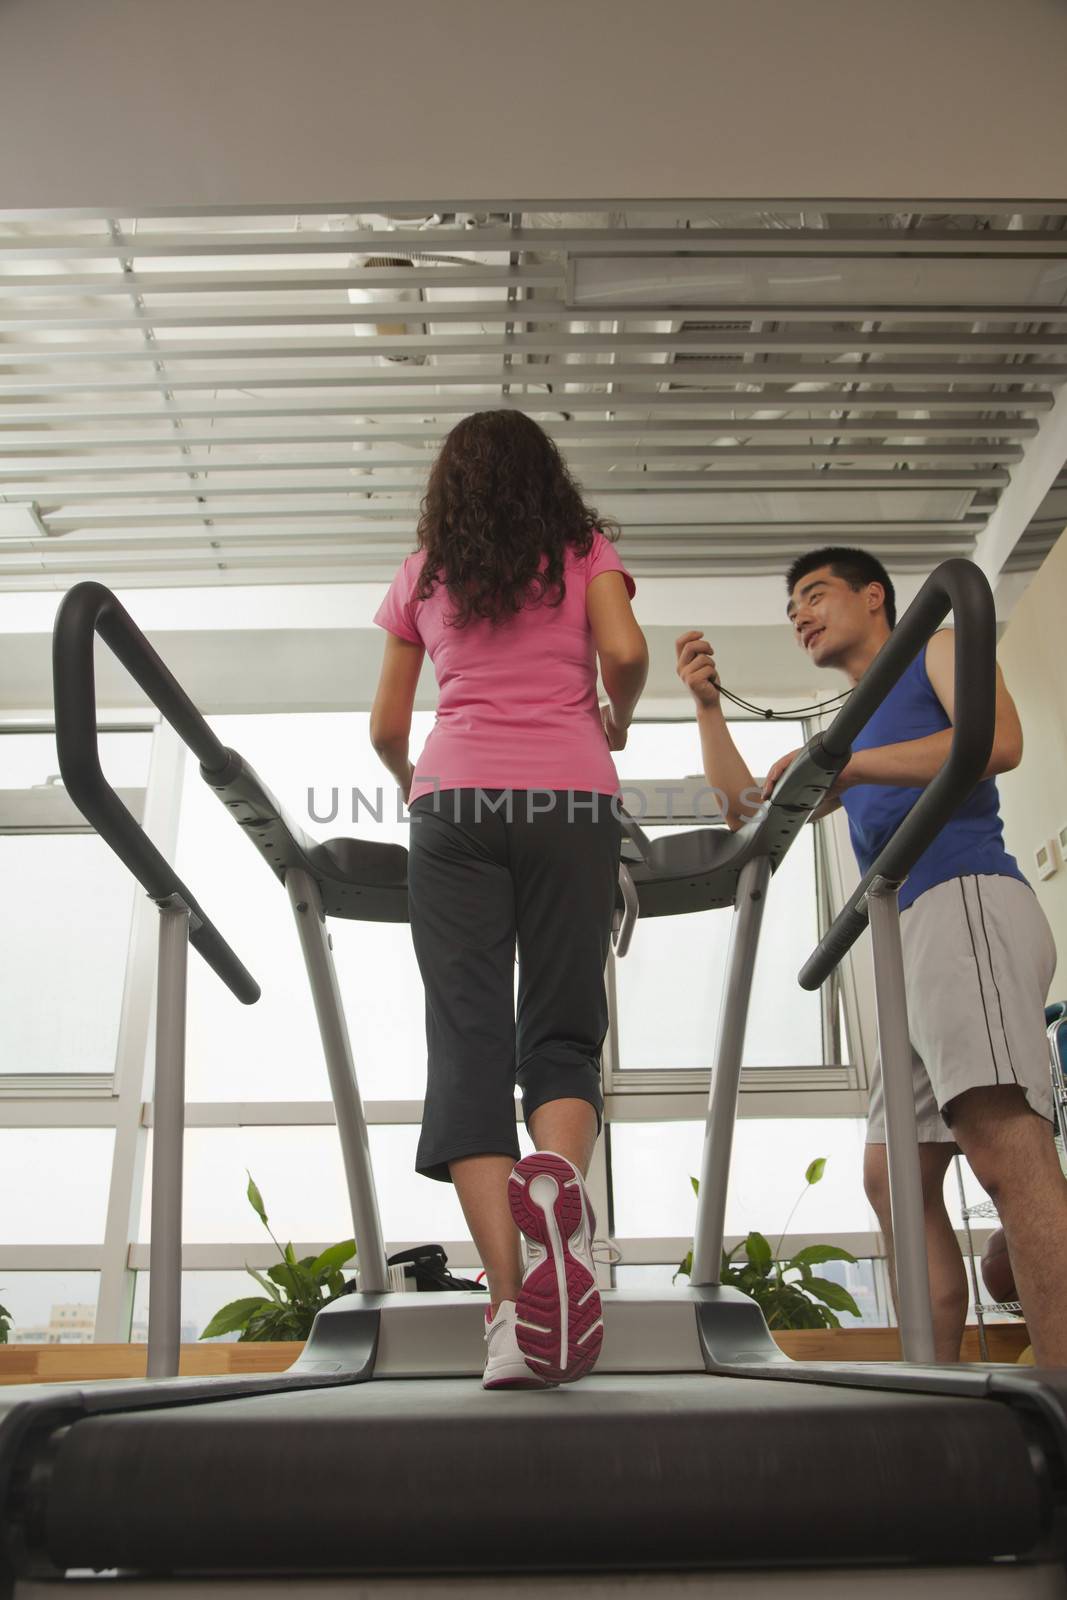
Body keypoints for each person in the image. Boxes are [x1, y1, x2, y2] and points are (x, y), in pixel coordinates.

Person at [676, 546, 1067, 1366]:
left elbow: (997, 740)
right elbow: (751, 814)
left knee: (1002, 1144)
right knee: (892, 1176)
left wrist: (850, 768)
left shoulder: (934, 648)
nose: (800, 617)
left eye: (814, 596)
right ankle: (940, 1393)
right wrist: (707, 707)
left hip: (965, 894)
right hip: (907, 934)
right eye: (791, 612)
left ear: (876, 598)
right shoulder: (849, 724)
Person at [370, 410, 648, 1388]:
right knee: (561, 1031)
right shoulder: (583, 550)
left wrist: (418, 779)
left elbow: (383, 723)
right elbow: (622, 652)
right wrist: (611, 719)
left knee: (467, 1044)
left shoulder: (424, 572)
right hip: (570, 795)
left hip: (453, 802)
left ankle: (504, 1310)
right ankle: (559, 1190)